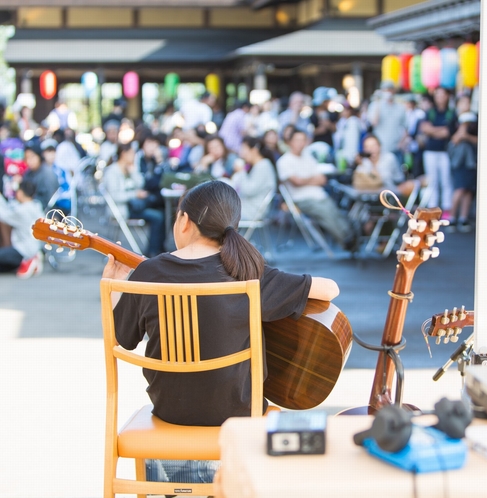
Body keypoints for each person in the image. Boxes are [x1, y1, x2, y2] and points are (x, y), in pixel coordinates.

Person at [102, 180, 339, 483]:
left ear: (184, 220)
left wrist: (114, 288)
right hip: (238, 411)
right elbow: (330, 289)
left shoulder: (148, 273)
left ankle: (174, 486)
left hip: (170, 410)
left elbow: (123, 337)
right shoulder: (248, 272)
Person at [277, 129, 357, 251]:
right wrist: (311, 180)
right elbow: (297, 182)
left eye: (303, 140)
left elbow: (321, 179)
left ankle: (350, 238)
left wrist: (305, 180)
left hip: (319, 194)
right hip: (302, 199)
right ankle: (347, 240)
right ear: (290, 142)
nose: (300, 143)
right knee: (326, 214)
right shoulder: (284, 161)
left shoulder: (308, 156)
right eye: (297, 140)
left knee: (335, 213)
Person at [102, 143, 166, 258]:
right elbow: (115, 195)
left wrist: (133, 171)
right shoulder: (112, 171)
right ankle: (152, 251)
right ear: (123, 154)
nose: (134, 156)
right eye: (132, 153)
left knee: (159, 210)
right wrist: (134, 194)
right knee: (157, 217)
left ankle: (155, 249)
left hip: (134, 206)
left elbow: (140, 183)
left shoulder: (129, 168)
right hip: (122, 209)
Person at [420, 87, 456, 216]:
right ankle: (432, 210)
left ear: (447, 96)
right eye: (437, 94)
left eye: (442, 94)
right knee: (432, 181)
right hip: (430, 151)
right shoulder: (430, 112)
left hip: (444, 152)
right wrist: (439, 130)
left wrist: (433, 130)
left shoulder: (451, 113)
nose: (439, 97)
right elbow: (425, 128)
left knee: (446, 180)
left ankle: (447, 209)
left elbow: (448, 132)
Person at [446, 94, 477, 233]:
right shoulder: (454, 119)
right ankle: (452, 217)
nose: (466, 105)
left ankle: (463, 218)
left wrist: (468, 136)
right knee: (459, 188)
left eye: (468, 102)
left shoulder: (475, 119)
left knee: (468, 189)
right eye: (463, 102)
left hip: (472, 159)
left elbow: (479, 139)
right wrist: (463, 126)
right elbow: (454, 139)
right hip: (457, 160)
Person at [0, 180, 44, 278]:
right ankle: (29, 262)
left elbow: (4, 216)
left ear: (20, 193)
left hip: (22, 250)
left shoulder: (22, 211)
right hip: (35, 247)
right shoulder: (36, 205)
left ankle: (28, 261)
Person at [231, 136, 277, 221]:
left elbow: (248, 190)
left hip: (252, 210)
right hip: (249, 207)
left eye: (244, 150)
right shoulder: (259, 165)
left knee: (217, 211)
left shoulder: (263, 166)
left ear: (254, 150)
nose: (241, 154)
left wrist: (241, 171)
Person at [21, 144, 60, 211]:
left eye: (32, 157)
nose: (29, 161)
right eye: (26, 158)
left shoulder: (47, 173)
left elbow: (48, 200)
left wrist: (29, 201)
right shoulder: (28, 173)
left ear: (39, 156)